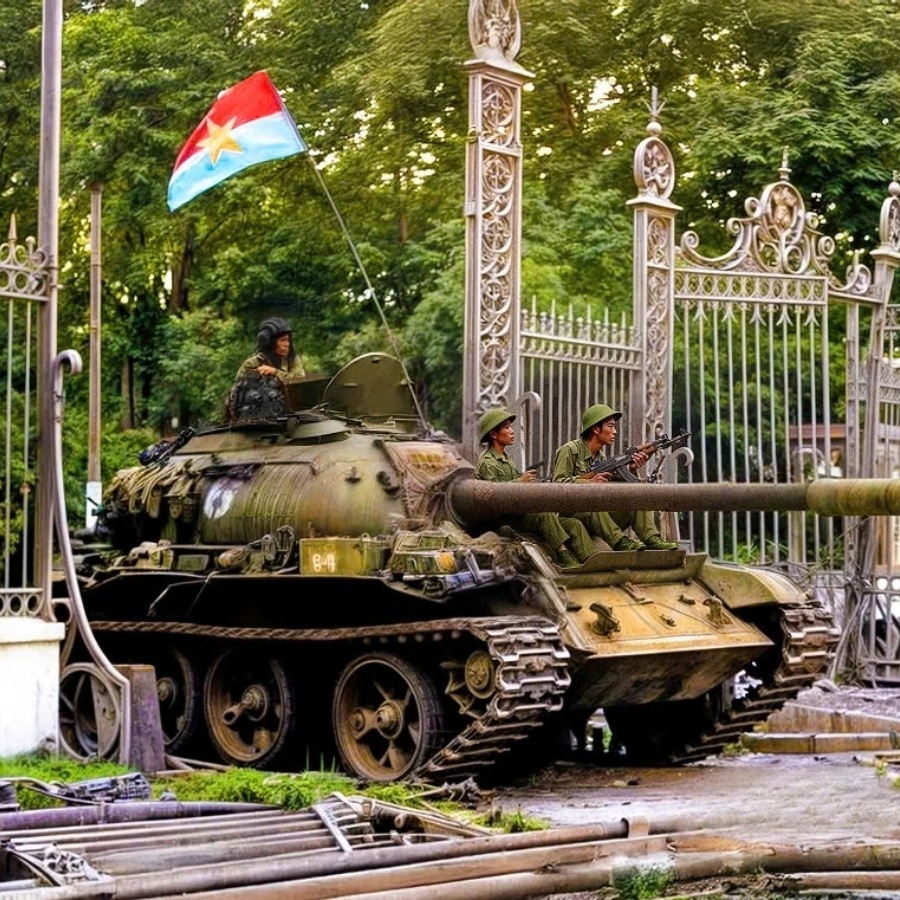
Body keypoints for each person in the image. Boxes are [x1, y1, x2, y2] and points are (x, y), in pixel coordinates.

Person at [474, 409, 596, 568]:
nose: (512, 431)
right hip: (507, 520)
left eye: (510, 427)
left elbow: (514, 484)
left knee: (573, 524)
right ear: (494, 434)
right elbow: (494, 496)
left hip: (519, 513)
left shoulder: (506, 458)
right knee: (543, 514)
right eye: (506, 427)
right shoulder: (487, 462)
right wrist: (520, 482)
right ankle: (563, 555)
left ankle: (591, 561)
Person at [552, 403, 679, 551]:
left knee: (636, 497)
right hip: (574, 516)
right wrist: (588, 482)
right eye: (610, 426)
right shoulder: (569, 450)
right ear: (596, 429)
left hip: (599, 518)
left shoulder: (601, 458)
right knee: (592, 508)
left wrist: (632, 469)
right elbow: (557, 485)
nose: (615, 431)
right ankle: (621, 542)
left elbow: (616, 487)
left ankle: (651, 537)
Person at [234, 316, 306, 385]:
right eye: (282, 340)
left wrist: (275, 372)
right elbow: (238, 389)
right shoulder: (253, 363)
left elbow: (301, 381)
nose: (287, 344)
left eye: (288, 340)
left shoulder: (291, 359)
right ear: (270, 343)